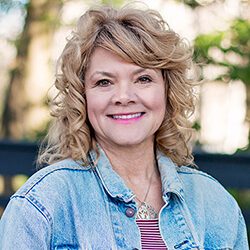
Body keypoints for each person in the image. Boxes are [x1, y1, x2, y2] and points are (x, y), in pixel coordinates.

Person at [0, 4, 248, 250]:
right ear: (82, 96)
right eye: (104, 82)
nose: (124, 96)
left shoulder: (216, 204)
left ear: (167, 90)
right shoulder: (41, 204)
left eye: (143, 79)